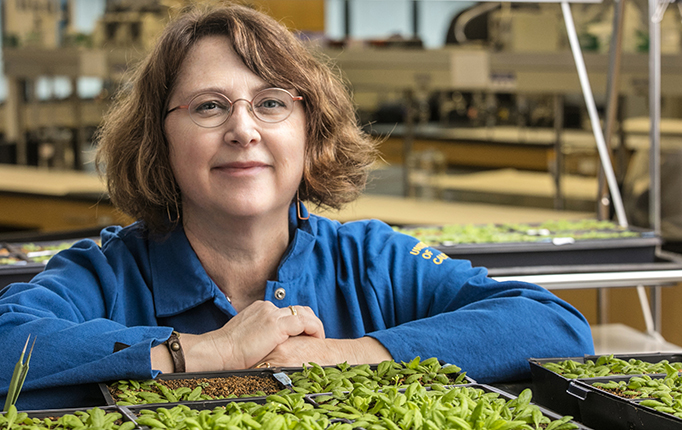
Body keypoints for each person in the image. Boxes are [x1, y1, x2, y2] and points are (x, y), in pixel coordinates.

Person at [0, 3, 593, 410]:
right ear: (160, 138)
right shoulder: (105, 274)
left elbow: (556, 327)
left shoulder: (371, 261)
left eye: (271, 103)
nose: (243, 130)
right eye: (209, 107)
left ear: (309, 131)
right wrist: (200, 352)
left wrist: (346, 355)